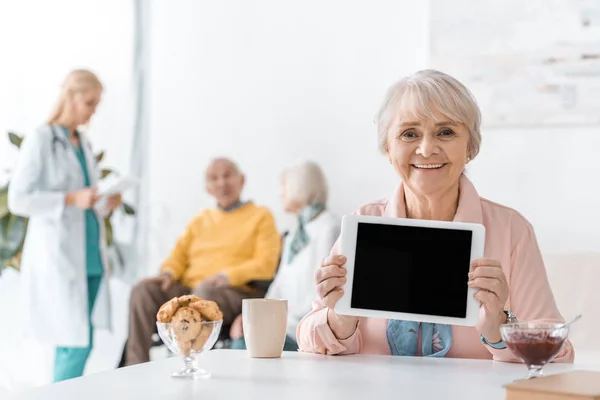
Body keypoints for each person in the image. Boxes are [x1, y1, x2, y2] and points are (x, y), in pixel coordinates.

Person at [296, 70, 575, 362]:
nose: (427, 149)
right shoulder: (363, 223)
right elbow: (307, 339)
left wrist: (500, 329)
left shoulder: (511, 230)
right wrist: (340, 319)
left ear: (470, 146)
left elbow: (559, 354)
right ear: (388, 148)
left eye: (446, 132)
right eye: (409, 134)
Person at [8, 69, 123, 382]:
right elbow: (19, 200)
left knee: (80, 341)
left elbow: (88, 199)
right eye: (89, 102)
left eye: (96, 104)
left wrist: (104, 201)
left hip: (90, 256)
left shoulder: (82, 143)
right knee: (74, 342)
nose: (93, 111)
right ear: (70, 96)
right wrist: (71, 199)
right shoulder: (41, 139)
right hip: (60, 257)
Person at [124, 157, 282, 365]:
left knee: (203, 295)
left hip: (233, 291)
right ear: (208, 188)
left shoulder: (261, 216)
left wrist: (226, 276)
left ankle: (189, 364)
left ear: (242, 180)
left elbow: (266, 264)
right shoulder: (200, 220)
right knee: (142, 291)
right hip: (192, 289)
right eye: (214, 178)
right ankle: (135, 367)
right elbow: (178, 255)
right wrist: (168, 273)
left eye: (227, 176)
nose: (221, 183)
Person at [229, 160, 340, 351]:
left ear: (300, 186)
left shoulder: (329, 228)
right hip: (284, 325)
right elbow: (279, 285)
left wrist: (273, 322)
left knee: (242, 346)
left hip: (306, 331)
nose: (281, 193)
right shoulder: (295, 234)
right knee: (242, 338)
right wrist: (252, 315)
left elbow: (323, 293)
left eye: (284, 186)